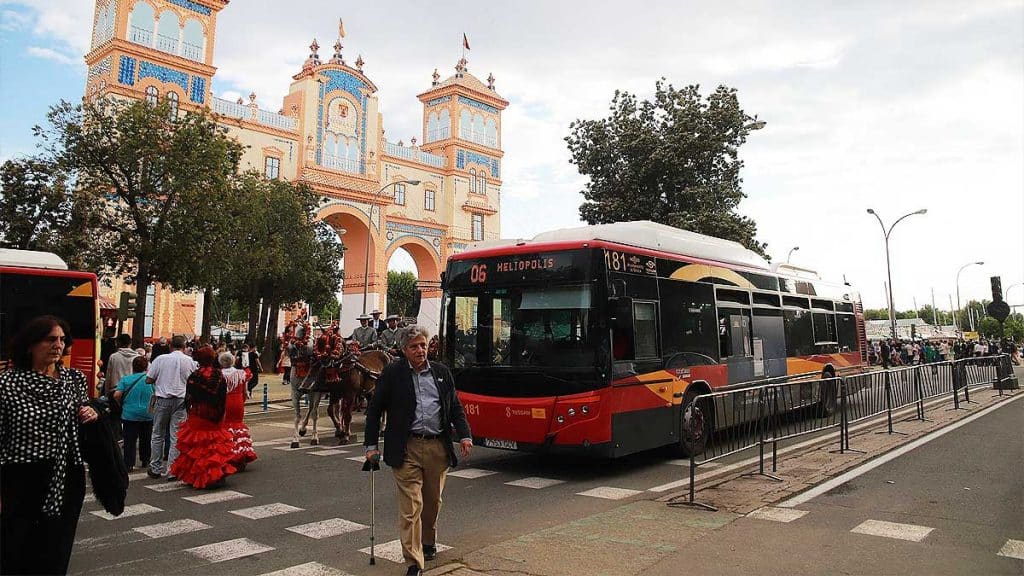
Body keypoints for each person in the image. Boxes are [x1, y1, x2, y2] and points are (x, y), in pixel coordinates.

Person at [364, 325, 472, 576]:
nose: (420, 350)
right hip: (406, 447)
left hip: (437, 446)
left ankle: (428, 540)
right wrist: (371, 447)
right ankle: (414, 562)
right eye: (414, 346)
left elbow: (454, 406)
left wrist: (465, 435)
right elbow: (375, 410)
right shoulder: (392, 373)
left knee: (432, 502)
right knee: (411, 507)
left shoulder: (441, 372)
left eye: (423, 345)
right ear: (404, 350)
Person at [1, 315, 99, 575]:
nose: (58, 345)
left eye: (61, 339)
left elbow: (86, 407)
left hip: (66, 474)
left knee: (57, 548)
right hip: (22, 476)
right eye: (50, 339)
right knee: (17, 548)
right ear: (30, 345)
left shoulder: (73, 379)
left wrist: (91, 411)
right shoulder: (8, 384)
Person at [170, 346, 237, 489]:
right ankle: (215, 475)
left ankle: (196, 475)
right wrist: (221, 413)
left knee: (197, 447)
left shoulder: (194, 376)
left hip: (198, 414)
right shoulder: (219, 376)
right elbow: (222, 396)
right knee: (214, 446)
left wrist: (190, 411)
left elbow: (189, 397)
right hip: (214, 414)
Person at [146, 335, 196, 480]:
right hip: (181, 400)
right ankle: (172, 469)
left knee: (157, 434)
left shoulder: (160, 359)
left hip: (162, 399)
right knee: (176, 435)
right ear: (185, 346)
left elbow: (148, 379)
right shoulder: (189, 361)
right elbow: (193, 380)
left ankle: (155, 467)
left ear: (170, 346)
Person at [114, 356, 153, 472]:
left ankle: (129, 463)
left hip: (129, 413)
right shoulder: (150, 380)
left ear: (133, 366)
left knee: (130, 439)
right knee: (146, 437)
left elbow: (116, 395)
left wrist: (120, 404)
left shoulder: (126, 380)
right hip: (147, 413)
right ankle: (145, 459)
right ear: (146, 367)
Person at [219, 352, 257, 471]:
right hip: (238, 401)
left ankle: (226, 454)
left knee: (224, 428)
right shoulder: (241, 374)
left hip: (224, 402)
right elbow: (245, 391)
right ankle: (240, 455)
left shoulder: (219, 374)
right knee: (238, 427)